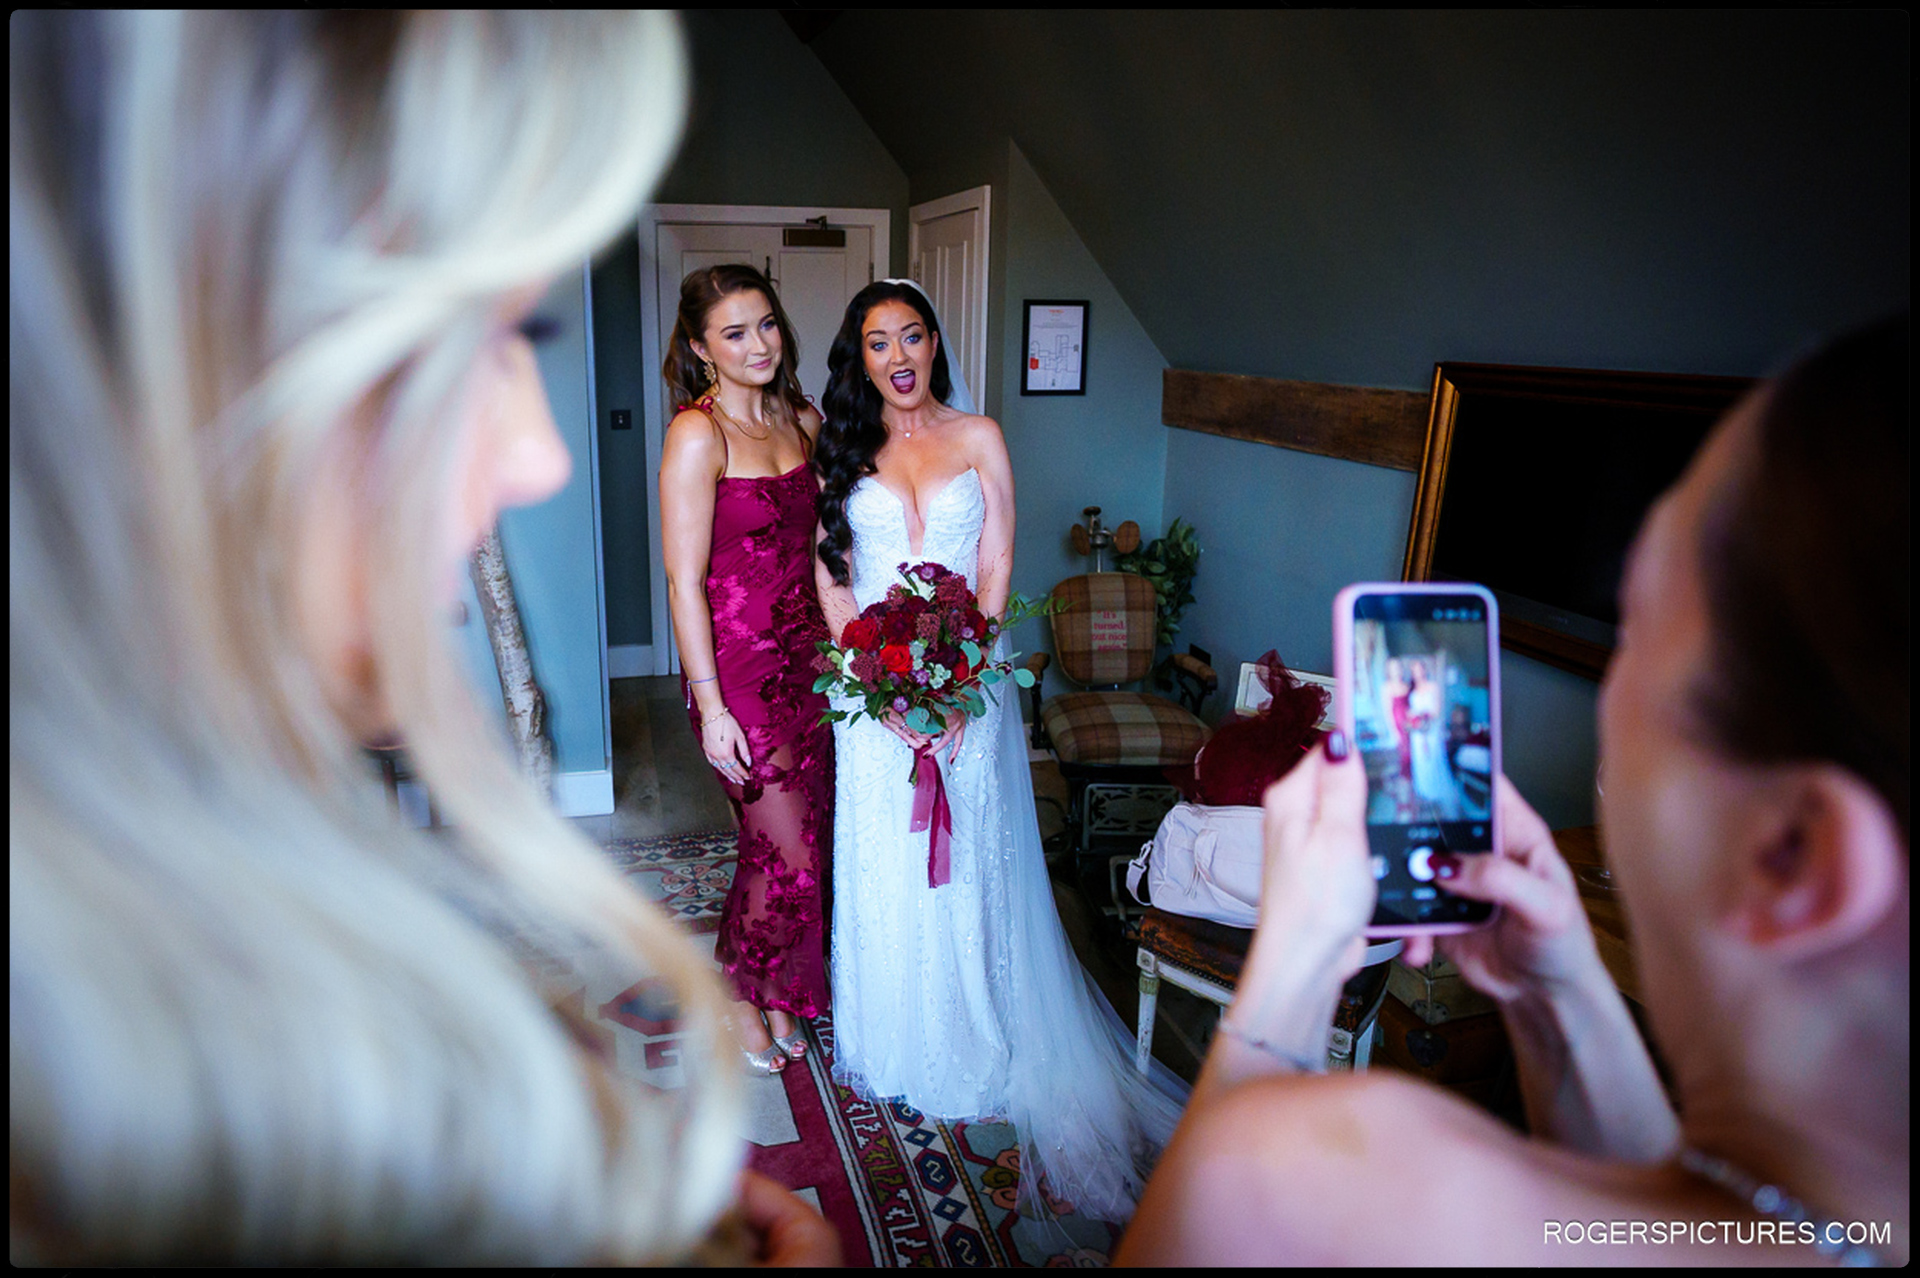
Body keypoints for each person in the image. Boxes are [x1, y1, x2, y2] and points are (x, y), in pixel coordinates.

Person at [10, 11, 836, 1264]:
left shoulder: (267, 933)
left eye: (521, 337)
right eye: (450, 342)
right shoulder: (97, 1081)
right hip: (741, 657)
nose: (544, 452)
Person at [1117, 315, 1909, 1265]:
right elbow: (1674, 1201)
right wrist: (1559, 992)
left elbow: (1217, 1198)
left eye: (1642, 620)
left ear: (1796, 854)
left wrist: (1295, 952)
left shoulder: (1348, 1183)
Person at [812, 280, 1188, 1226]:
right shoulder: (842, 443)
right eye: (875, 343)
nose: (895, 357)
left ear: (935, 343)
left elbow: (997, 567)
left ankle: (972, 1034)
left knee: (962, 867)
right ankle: (891, 1037)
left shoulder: (979, 437)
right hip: (870, 705)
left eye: (909, 337)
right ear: (858, 359)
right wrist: (880, 692)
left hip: (963, 694)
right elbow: (834, 574)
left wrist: (950, 690)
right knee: (884, 862)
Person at [658, 264, 834, 1077]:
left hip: (813, 666)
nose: (758, 344)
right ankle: (737, 989)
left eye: (766, 324)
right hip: (736, 678)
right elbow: (683, 580)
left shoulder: (804, 418)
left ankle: (771, 989)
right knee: (786, 850)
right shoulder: (698, 435)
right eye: (734, 332)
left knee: (797, 849)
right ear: (701, 349)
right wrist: (710, 704)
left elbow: (829, 551)